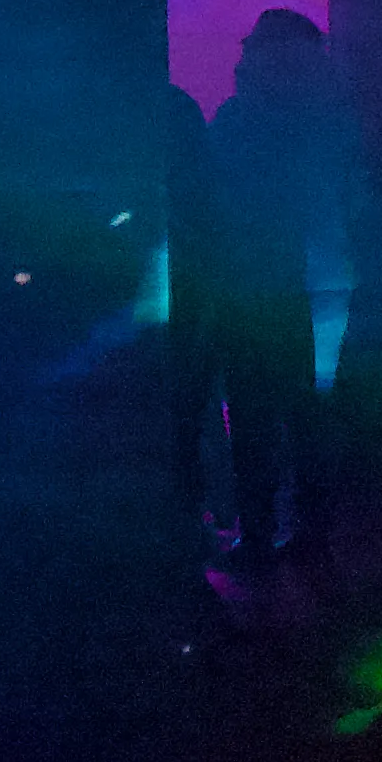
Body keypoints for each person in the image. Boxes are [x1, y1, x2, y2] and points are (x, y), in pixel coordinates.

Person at [211, 8, 361, 569]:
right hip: (325, 289)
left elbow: (218, 209)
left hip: (255, 292)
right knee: (310, 421)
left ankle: (259, 537)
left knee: (255, 422)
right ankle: (313, 538)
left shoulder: (237, 121)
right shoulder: (332, 122)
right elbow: (351, 202)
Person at [160, 81, 229, 523]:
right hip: (193, 280)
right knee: (188, 406)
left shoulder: (169, 108)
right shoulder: (180, 108)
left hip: (187, 280)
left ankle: (187, 511)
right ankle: (191, 511)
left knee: (184, 405)